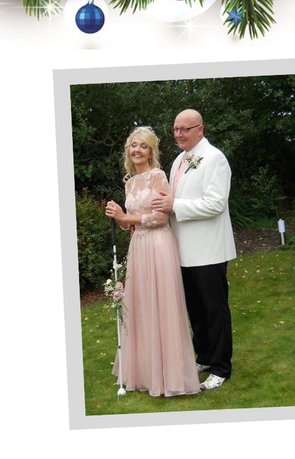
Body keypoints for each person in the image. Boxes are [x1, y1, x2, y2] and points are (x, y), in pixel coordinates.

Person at [105, 127, 200, 397]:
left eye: (143, 146)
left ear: (151, 151)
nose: (137, 150)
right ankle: (146, 373)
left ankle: (170, 376)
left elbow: (161, 217)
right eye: (133, 145)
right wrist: (121, 219)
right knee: (142, 307)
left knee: (163, 306)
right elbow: (130, 225)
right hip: (139, 246)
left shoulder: (158, 177)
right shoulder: (130, 182)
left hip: (158, 245)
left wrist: (126, 218)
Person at [150, 109, 236, 391]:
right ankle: (205, 357)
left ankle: (222, 367)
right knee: (195, 309)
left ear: (200, 129)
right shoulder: (178, 160)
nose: (178, 134)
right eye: (175, 129)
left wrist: (175, 205)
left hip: (208, 249)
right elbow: (171, 200)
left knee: (215, 309)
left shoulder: (214, 158)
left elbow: (215, 204)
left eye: (184, 129)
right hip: (182, 249)